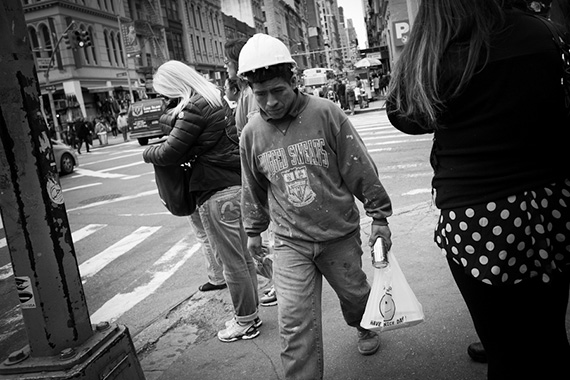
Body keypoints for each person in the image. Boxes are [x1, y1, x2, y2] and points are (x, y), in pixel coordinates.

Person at [386, 1, 570, 379]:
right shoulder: (540, 32)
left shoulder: (434, 56)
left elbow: (404, 115)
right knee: (550, 334)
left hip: (478, 218)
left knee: (503, 349)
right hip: (551, 201)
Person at [237, 33, 393, 380]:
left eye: (277, 90)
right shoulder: (251, 133)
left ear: (293, 80)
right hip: (290, 241)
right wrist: (252, 231)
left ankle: (363, 326)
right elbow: (253, 185)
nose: (271, 102)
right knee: (293, 323)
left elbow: (359, 167)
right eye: (260, 94)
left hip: (338, 233)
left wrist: (379, 216)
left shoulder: (326, 113)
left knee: (355, 296)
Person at [142, 60, 261, 343]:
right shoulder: (213, 97)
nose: (164, 99)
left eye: (165, 93)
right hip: (235, 185)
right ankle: (251, 314)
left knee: (232, 263)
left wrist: (147, 152)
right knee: (244, 258)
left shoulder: (193, 107)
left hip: (214, 189)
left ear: (174, 86)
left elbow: (170, 151)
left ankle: (245, 320)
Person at [225, 37, 277, 307]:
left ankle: (279, 282)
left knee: (273, 232)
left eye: (227, 60)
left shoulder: (252, 95)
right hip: (256, 173)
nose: (225, 66)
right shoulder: (245, 94)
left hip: (266, 175)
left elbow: (259, 139)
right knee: (269, 233)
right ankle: (278, 281)